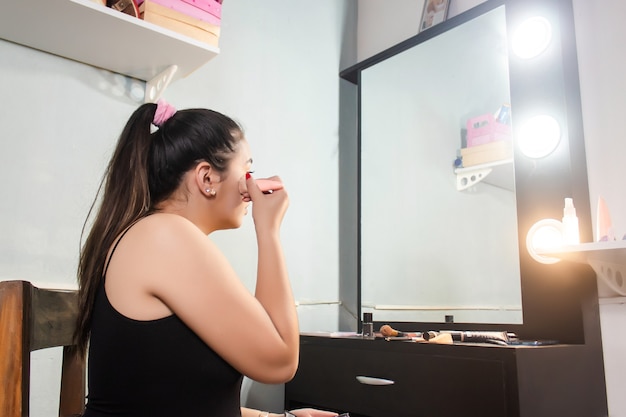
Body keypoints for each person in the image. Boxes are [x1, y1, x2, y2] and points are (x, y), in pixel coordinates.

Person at [74, 100, 339, 417]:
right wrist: (268, 231)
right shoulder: (165, 237)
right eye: (248, 170)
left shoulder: (155, 235)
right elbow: (280, 361)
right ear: (207, 178)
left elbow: (181, 401)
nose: (250, 186)